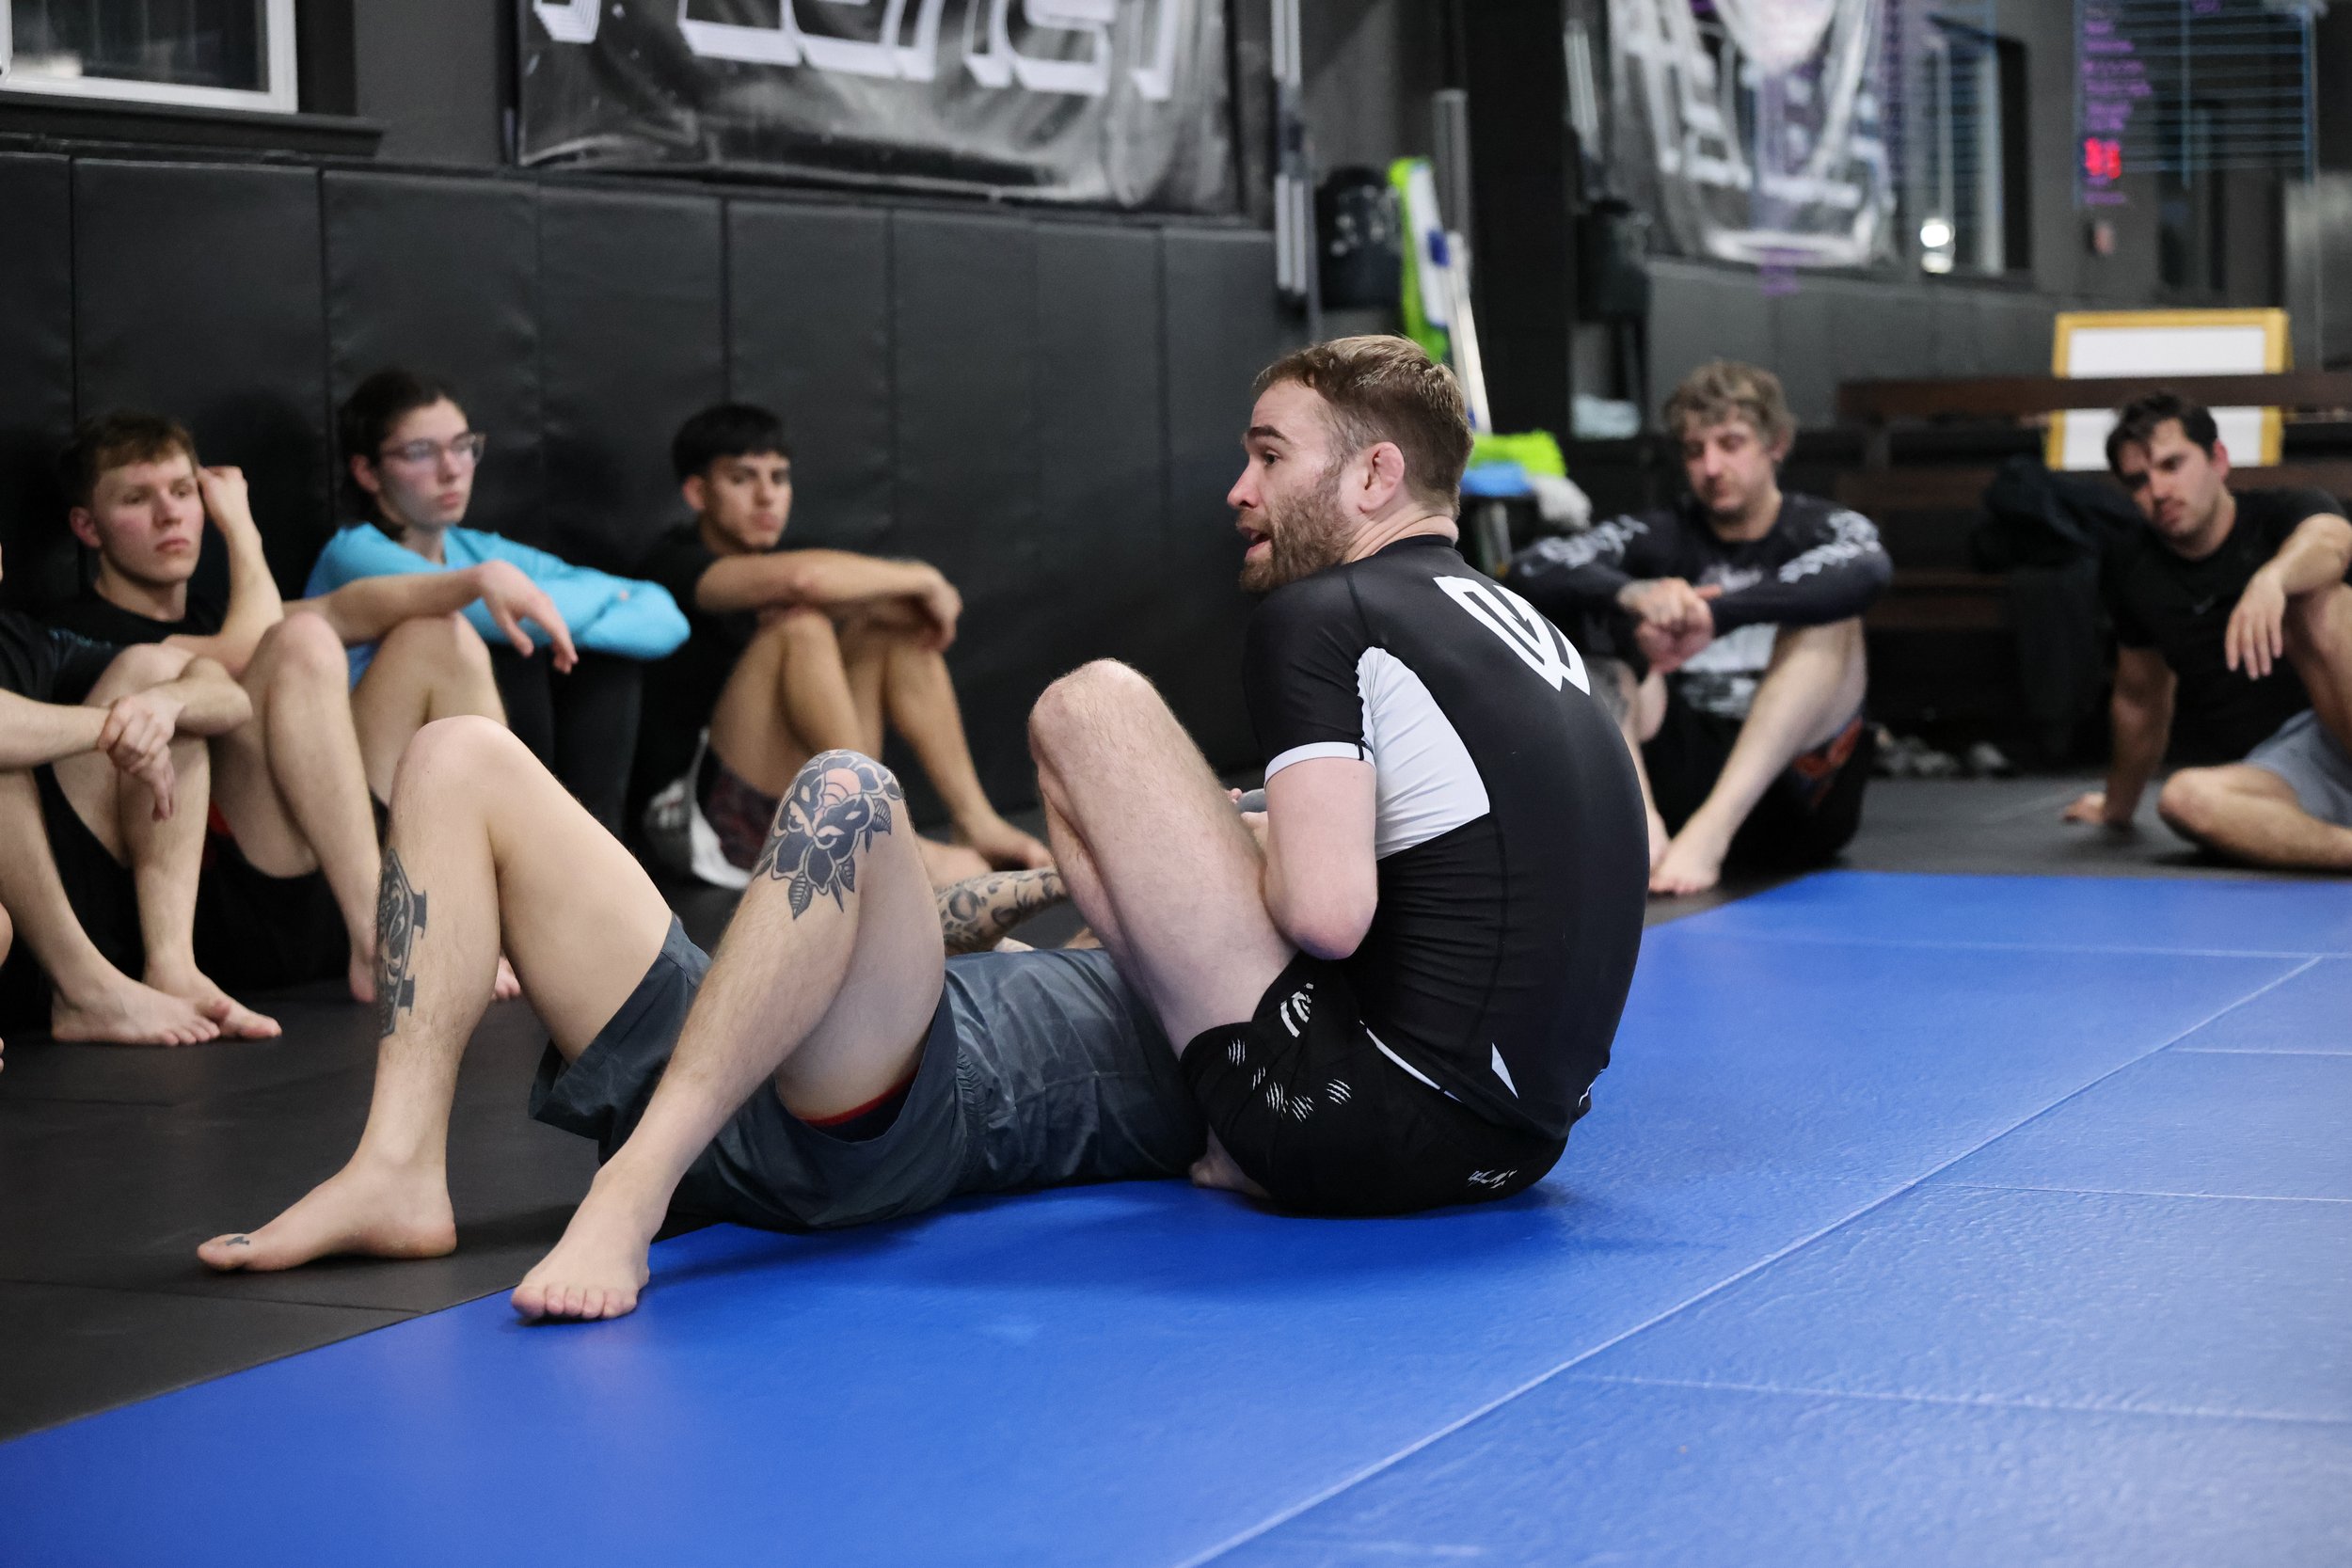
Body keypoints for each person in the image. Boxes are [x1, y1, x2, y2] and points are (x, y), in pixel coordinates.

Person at [195, 721, 1192, 1322]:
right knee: (456, 755)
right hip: (746, 1052)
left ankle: (631, 1189)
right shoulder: (1118, 951)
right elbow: (905, 938)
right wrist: (1070, 879)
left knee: (848, 787)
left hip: (890, 1117)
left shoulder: (1237, 1018)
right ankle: (397, 1167)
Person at [1029, 335, 1648, 1214]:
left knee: (1084, 708)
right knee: (1254, 823)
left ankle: (1223, 1124)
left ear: (1373, 476)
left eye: (1270, 455)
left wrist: (1251, 844)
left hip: (1366, 1133)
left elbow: (1326, 918)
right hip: (1530, 1144)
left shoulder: (1321, 615)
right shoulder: (1523, 621)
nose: (1240, 491)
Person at [45, 411, 547, 1001]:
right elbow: (254, 643)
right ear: (88, 526)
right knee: (299, 643)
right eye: (137, 498)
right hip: (221, 905)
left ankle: (493, 918)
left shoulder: (220, 617)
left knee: (441, 637)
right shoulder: (74, 633)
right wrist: (243, 532)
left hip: (327, 869)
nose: (169, 514)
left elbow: (344, 610)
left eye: (184, 492)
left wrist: (475, 580)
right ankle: (378, 937)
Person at [1505, 360, 1891, 895]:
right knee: (1593, 634)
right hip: (1680, 774)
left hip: (1795, 794)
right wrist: (1633, 594)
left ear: (1775, 444)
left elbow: (1870, 569)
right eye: (1694, 450)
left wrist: (1718, 614)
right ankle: (1637, 829)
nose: (1711, 466)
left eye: (1730, 444)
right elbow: (1533, 566)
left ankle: (1714, 831)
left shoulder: (1822, 528)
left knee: (1834, 620)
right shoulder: (1658, 532)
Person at [635, 404, 1047, 887]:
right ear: (698, 492)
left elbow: (902, 613)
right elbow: (805, 581)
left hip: (795, 805)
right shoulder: (674, 564)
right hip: (709, 825)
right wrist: (924, 577)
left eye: (780, 477)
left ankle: (976, 821)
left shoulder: (786, 556)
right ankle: (883, 836)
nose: (767, 497)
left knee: (890, 634)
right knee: (802, 628)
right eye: (743, 479)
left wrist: (894, 599)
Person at [306, 370, 690, 832]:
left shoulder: (478, 550)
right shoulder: (355, 553)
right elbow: (494, 614)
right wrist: (594, 605)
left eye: (463, 446)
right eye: (420, 452)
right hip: (363, 790)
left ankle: (594, 851)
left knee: (607, 663)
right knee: (502, 646)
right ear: (367, 472)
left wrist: (552, 615)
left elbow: (665, 618)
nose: (451, 469)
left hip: (452, 768)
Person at [2063, 393, 2352, 870]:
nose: (2158, 490)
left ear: (2218, 460)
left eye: (2172, 464)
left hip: (2338, 712)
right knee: (2183, 799)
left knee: (2318, 601)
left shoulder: (2281, 513)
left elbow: (2333, 542)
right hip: (2287, 767)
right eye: (2139, 480)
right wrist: (2116, 807)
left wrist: (2273, 579)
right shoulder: (2133, 568)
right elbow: (2141, 699)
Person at [0, 553, 278, 1048]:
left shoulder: (22, 641)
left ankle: (172, 965)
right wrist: (118, 729)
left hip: (55, 902)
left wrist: (160, 708)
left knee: (157, 681)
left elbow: (231, 698)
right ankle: (85, 989)